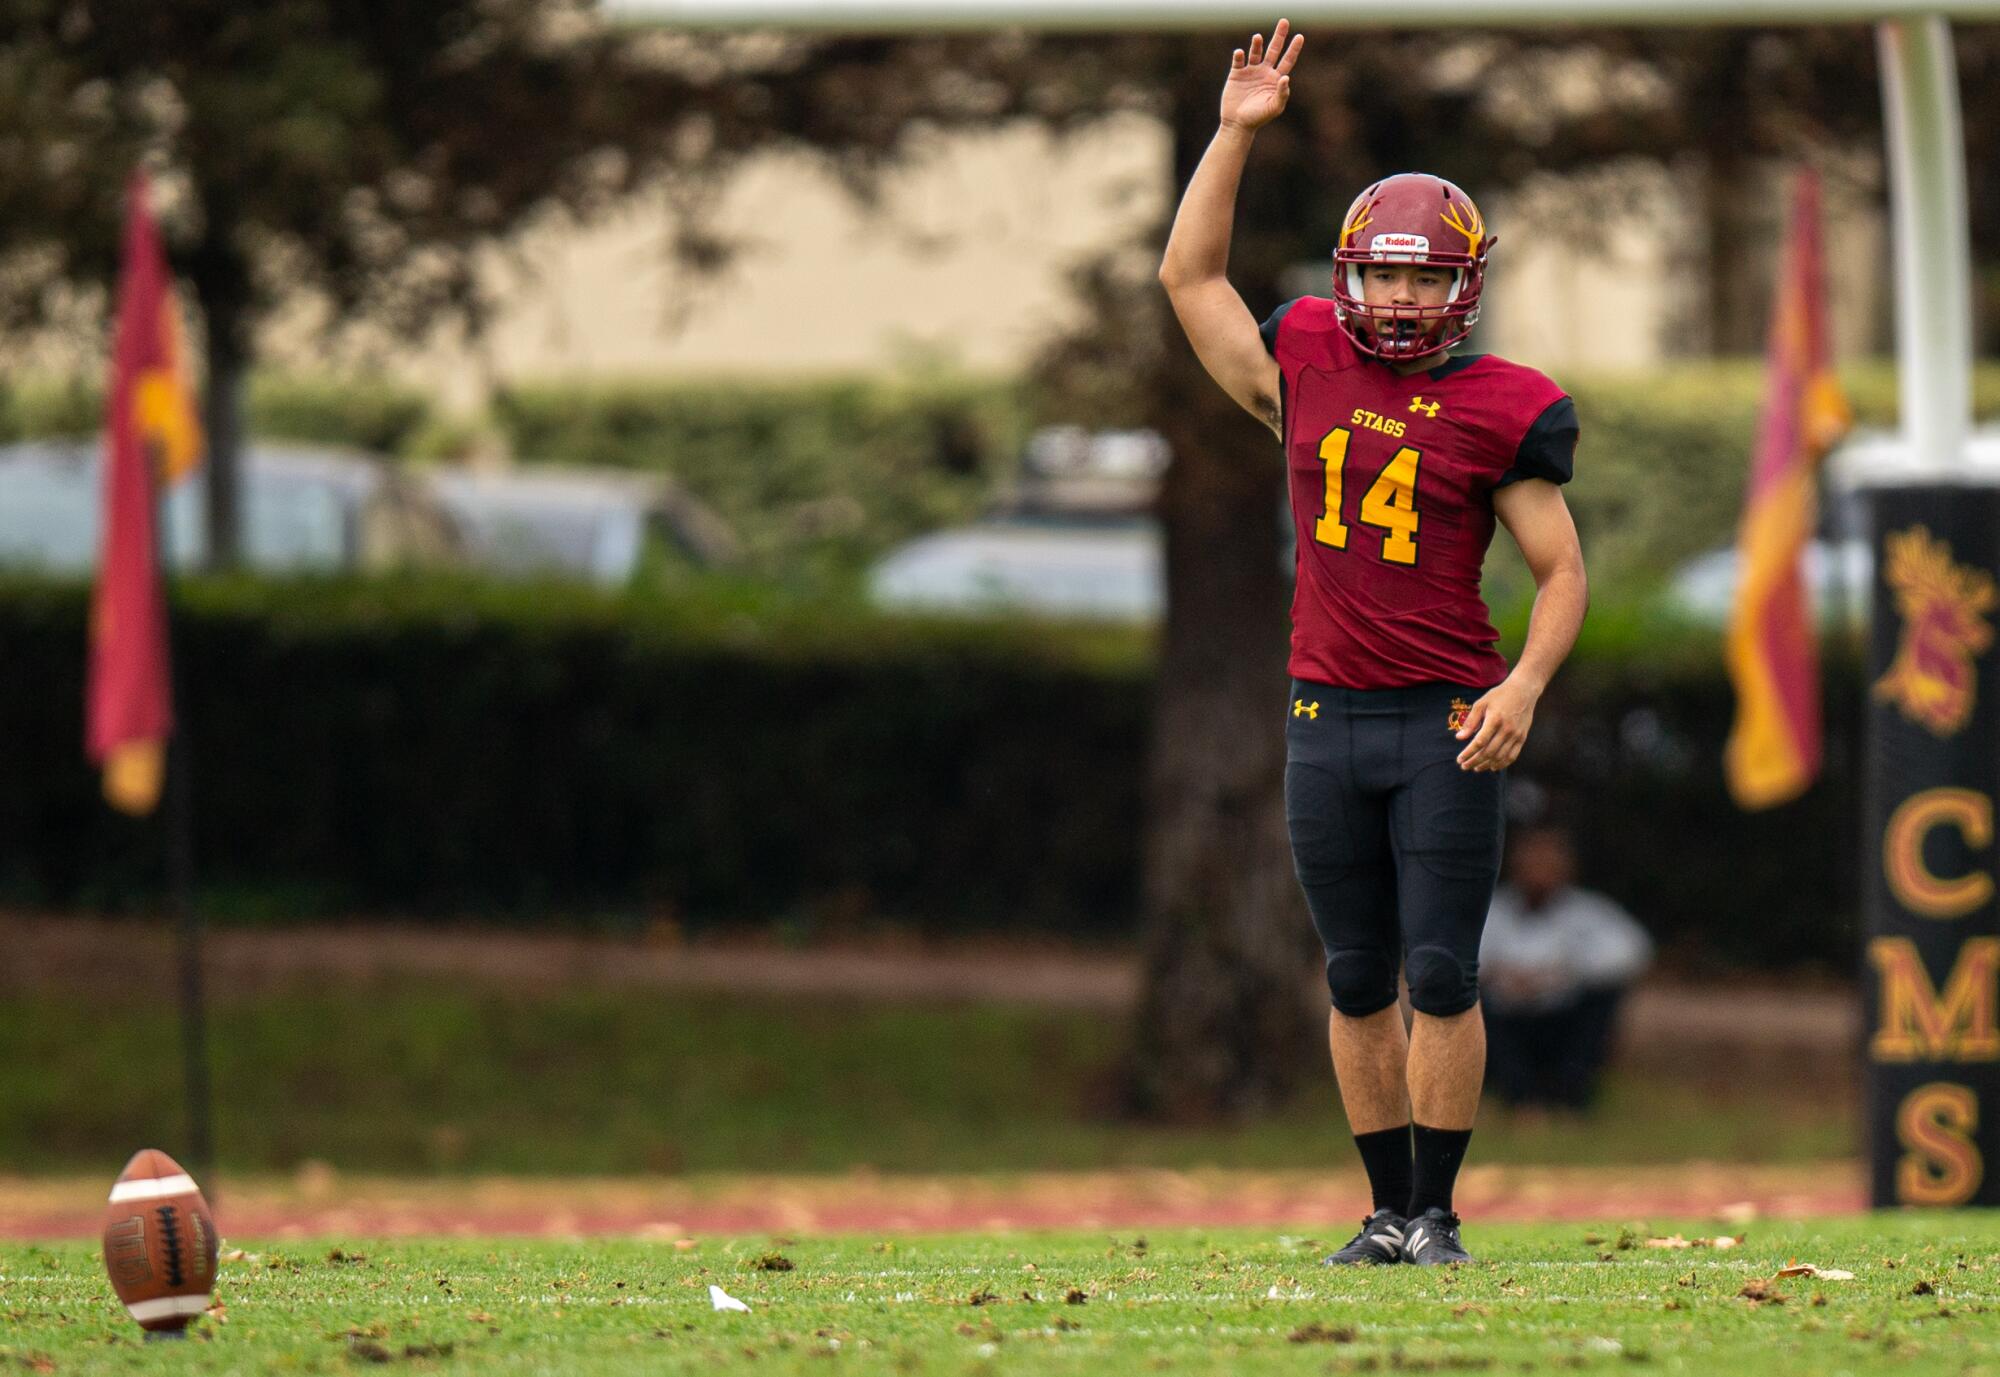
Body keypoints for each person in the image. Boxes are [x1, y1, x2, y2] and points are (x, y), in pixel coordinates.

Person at [1156, 18, 1589, 1266]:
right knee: (1354, 975)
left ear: (1464, 283)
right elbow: (1190, 282)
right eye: (1384, 275)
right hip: (1322, 715)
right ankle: (1383, 1210)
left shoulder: (1505, 403)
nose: (1400, 298)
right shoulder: (1300, 356)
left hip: (1444, 716)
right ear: (1349, 274)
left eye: (1423, 277)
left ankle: (1438, 1217)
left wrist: (1522, 682)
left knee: (1442, 972)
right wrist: (1234, 136)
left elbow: (1560, 570)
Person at [1481, 823, 1652, 1114]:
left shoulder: (1589, 912)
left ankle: (1570, 1097)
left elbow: (1631, 953)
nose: (1540, 868)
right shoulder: (1491, 910)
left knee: (1604, 998)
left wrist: (1561, 975)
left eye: (1549, 860)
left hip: (1564, 1021)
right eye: (1532, 859)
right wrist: (1502, 975)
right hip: (1505, 1022)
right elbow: (1459, 959)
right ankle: (1518, 1099)